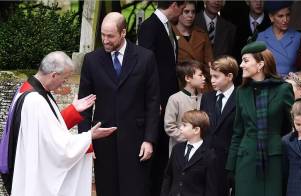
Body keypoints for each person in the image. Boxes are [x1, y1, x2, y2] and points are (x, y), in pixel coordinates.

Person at [1, 51, 116, 196]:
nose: (65, 83)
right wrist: (88, 137)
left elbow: (45, 130)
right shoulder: (35, 100)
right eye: (65, 78)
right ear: (54, 75)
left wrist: (74, 111)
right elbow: (57, 147)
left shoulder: (28, 89)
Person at [78, 12, 160, 196]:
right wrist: (86, 141)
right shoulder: (91, 60)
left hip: (136, 140)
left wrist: (149, 139)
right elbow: (84, 105)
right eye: (102, 35)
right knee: (107, 190)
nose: (105, 40)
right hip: (103, 140)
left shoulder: (146, 58)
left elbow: (153, 102)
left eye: (110, 36)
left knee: (136, 190)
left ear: (123, 33)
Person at [225, 41, 294, 196]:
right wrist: (230, 167)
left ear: (260, 64)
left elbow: (291, 127)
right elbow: (237, 132)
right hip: (246, 160)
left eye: (246, 60)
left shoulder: (283, 90)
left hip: (274, 159)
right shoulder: (241, 92)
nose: (241, 65)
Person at [137, 2, 185, 195]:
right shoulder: (150, 26)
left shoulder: (167, 26)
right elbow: (147, 65)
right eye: (182, 8)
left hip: (167, 97)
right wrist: (153, 98)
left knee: (164, 149)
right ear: (175, 5)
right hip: (157, 99)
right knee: (155, 150)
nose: (182, 13)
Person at [200, 55, 238, 196]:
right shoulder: (207, 97)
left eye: (216, 76)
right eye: (211, 76)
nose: (212, 80)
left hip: (230, 161)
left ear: (229, 76)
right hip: (207, 159)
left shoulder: (240, 97)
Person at [161, 110, 217, 196]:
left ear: (196, 130)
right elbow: (168, 176)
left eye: (184, 125)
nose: (180, 127)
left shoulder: (208, 155)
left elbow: (210, 187)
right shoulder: (177, 149)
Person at [164, 60, 205, 154]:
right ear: (188, 78)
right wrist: (190, 139)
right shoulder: (175, 99)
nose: (204, 78)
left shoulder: (203, 97)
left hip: (199, 149)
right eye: (200, 75)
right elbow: (169, 126)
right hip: (179, 149)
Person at [257, 1, 301, 76]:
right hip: (268, 84)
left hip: (290, 84)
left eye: (288, 15)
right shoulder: (261, 37)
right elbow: (256, 66)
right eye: (280, 16)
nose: (285, 19)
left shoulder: (298, 37)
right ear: (271, 17)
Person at [174, 1, 213, 65]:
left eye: (193, 12)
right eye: (186, 12)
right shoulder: (169, 33)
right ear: (178, 11)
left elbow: (209, 63)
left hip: (200, 73)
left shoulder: (202, 35)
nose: (190, 15)